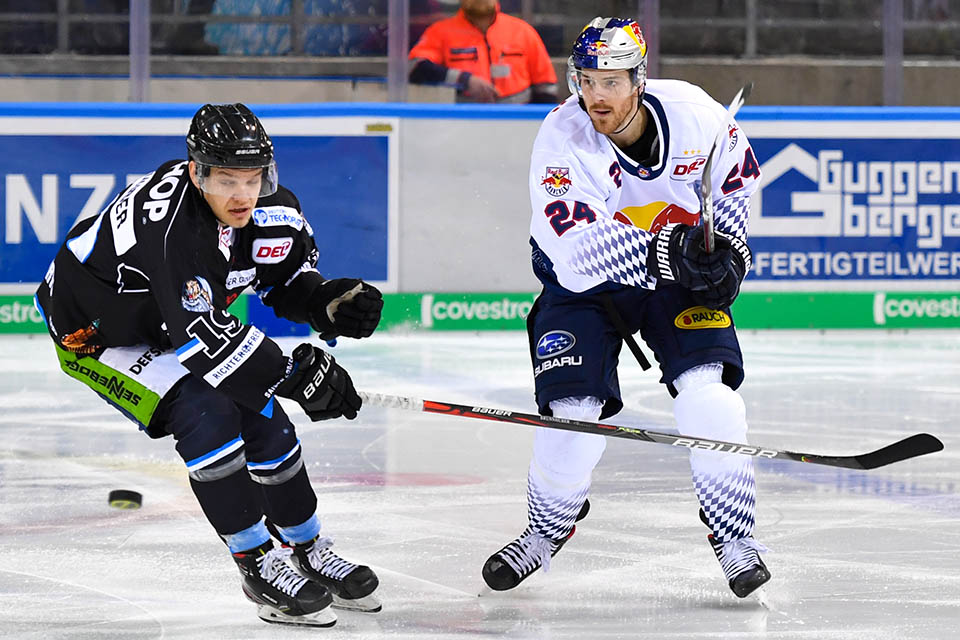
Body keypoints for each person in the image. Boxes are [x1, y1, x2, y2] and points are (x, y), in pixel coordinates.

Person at [35, 103, 386, 627]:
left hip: (173, 322)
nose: (243, 195)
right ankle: (255, 561)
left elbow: (285, 280)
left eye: (253, 178)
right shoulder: (174, 225)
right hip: (99, 338)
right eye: (226, 179)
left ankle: (309, 548)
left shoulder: (271, 209)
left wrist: (323, 301)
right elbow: (201, 342)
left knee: (263, 416)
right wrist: (290, 374)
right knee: (207, 408)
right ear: (197, 172)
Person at [481, 17, 769, 599]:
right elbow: (580, 252)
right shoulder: (562, 136)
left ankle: (735, 536)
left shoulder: (696, 115)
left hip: (671, 282)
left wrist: (727, 253)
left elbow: (734, 190)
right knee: (573, 415)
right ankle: (546, 528)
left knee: (712, 400)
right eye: (585, 79)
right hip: (582, 286)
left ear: (639, 80)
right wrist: (673, 249)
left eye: (610, 81)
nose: (595, 96)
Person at [408, 0, 558, 104]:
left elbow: (546, 87)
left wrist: (537, 126)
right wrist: (464, 80)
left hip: (516, 124)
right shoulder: (440, 32)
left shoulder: (523, 32)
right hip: (461, 124)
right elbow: (415, 67)